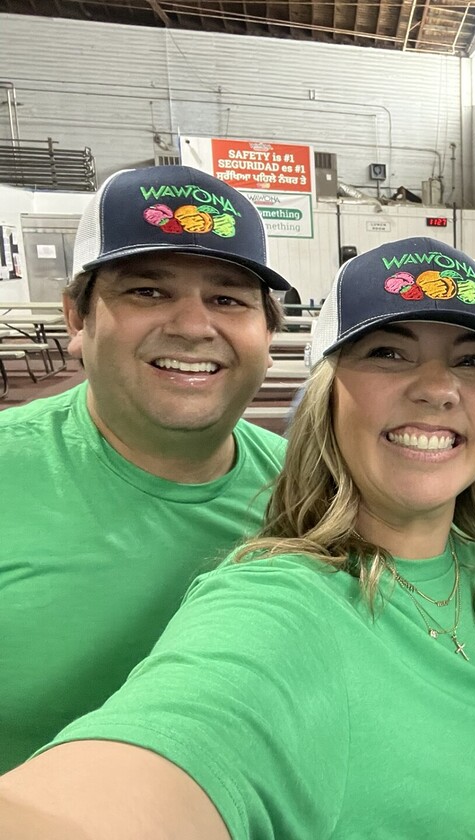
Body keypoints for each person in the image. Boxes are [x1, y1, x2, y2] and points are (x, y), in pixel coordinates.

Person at [0, 237, 475, 839]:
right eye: (389, 353)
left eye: (474, 361)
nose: (439, 388)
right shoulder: (281, 608)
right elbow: (126, 785)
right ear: (325, 397)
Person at [0, 164, 290, 773]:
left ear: (268, 332)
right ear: (77, 320)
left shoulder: (311, 491)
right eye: (147, 292)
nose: (191, 325)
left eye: (227, 299)